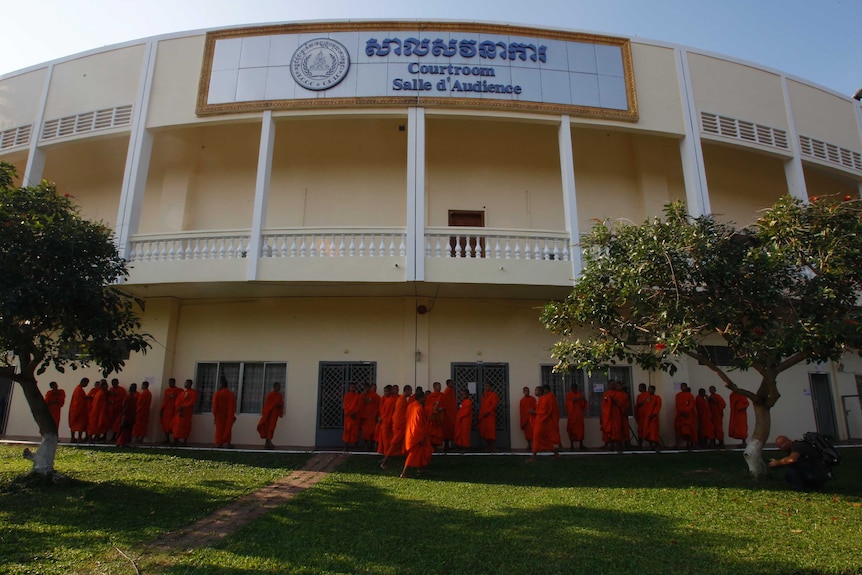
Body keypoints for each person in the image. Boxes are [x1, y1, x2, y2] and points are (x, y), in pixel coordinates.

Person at [400, 389, 430, 478]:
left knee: (421, 452)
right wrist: (421, 437)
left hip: (410, 432)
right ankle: (404, 473)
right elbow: (418, 424)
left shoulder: (411, 406)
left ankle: (421, 469)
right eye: (424, 398)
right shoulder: (418, 409)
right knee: (413, 454)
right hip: (416, 434)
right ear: (421, 398)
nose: (425, 399)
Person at [380, 384, 410, 470]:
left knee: (396, 442)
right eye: (410, 391)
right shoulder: (397, 400)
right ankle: (385, 461)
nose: (411, 393)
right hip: (397, 424)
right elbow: (398, 414)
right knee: (393, 443)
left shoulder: (400, 399)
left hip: (396, 423)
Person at [528, 385, 559, 461]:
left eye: (536, 391)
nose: (535, 392)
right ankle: (555, 453)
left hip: (541, 421)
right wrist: (533, 412)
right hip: (538, 421)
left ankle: (533, 457)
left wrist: (534, 412)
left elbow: (544, 411)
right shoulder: (540, 399)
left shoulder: (544, 399)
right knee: (544, 439)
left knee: (536, 437)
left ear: (540, 392)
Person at [257, 381, 284, 449]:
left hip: (274, 415)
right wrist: (274, 405)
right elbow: (267, 405)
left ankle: (268, 443)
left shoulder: (279, 395)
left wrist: (280, 405)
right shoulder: (270, 395)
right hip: (269, 414)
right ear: (274, 387)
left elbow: (281, 403)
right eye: (278, 387)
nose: (279, 388)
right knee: (269, 427)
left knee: (272, 428)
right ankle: (268, 442)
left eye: (280, 387)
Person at [213, 379, 237, 448]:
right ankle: (227, 442)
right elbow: (232, 406)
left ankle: (219, 442)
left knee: (219, 429)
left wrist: (215, 415)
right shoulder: (230, 394)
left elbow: (214, 406)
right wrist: (232, 415)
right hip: (228, 414)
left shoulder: (217, 394)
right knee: (228, 429)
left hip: (219, 414)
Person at [172, 379, 197, 445]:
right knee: (177, 425)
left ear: (190, 384)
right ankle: (176, 439)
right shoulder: (182, 393)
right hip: (179, 411)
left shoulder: (193, 392)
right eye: (185, 383)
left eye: (187, 383)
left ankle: (185, 441)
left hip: (187, 412)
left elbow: (191, 402)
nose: (185, 384)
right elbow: (177, 401)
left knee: (186, 426)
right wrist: (179, 408)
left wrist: (183, 407)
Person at [674, 383, 697, 449]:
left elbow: (691, 405)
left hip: (688, 416)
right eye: (681, 386)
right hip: (680, 416)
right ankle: (677, 444)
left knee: (689, 430)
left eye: (683, 386)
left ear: (686, 387)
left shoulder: (690, 395)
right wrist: (680, 412)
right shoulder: (678, 395)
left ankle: (689, 444)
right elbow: (677, 405)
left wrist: (686, 412)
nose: (682, 387)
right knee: (678, 429)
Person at [566, 383, 587, 451]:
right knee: (571, 430)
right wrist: (576, 399)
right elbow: (568, 404)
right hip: (572, 415)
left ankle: (581, 444)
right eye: (573, 388)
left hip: (579, 415)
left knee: (580, 430)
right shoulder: (569, 395)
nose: (574, 389)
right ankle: (571, 445)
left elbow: (583, 404)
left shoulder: (580, 394)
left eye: (575, 387)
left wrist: (583, 400)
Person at [160, 378, 182, 444]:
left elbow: (180, 400)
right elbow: (165, 400)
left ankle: (176, 439)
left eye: (171, 382)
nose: (170, 384)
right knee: (166, 425)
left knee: (175, 425)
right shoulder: (167, 390)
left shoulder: (179, 390)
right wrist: (162, 409)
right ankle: (167, 439)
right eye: (169, 382)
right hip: (167, 410)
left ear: (174, 382)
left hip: (174, 410)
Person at [425, 381, 446, 450]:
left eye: (440, 386)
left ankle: (436, 448)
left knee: (438, 434)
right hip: (432, 418)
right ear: (434, 387)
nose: (440, 387)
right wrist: (434, 409)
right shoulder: (431, 396)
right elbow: (427, 407)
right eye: (438, 386)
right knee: (432, 434)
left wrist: (442, 409)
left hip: (439, 418)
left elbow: (445, 405)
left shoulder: (442, 395)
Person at [478, 382, 499, 451]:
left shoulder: (493, 395)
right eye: (485, 386)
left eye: (488, 386)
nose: (486, 387)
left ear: (491, 387)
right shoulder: (484, 395)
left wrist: (488, 411)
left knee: (491, 431)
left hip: (490, 415)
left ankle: (492, 447)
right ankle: (488, 446)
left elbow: (494, 405)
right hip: (484, 416)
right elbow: (482, 405)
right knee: (485, 431)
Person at [342, 382, 363, 450]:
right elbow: (345, 405)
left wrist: (354, 413)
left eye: (354, 387)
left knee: (355, 431)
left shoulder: (358, 396)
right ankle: (346, 446)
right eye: (351, 387)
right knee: (347, 431)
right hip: (348, 416)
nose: (352, 388)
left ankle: (355, 446)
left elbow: (359, 406)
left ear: (356, 388)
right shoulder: (346, 396)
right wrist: (349, 413)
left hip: (355, 416)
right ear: (349, 388)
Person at [68, 377, 90, 443]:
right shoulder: (79, 390)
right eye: (86, 383)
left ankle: (74, 438)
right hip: (78, 409)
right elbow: (79, 401)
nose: (86, 385)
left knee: (76, 424)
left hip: (78, 409)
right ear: (83, 382)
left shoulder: (78, 389)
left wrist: (87, 398)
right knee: (79, 424)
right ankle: (78, 438)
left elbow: (82, 398)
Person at [360, 383, 380, 451]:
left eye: (375, 387)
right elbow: (359, 402)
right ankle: (366, 445)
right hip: (365, 417)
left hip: (373, 416)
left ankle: (372, 445)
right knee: (365, 432)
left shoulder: (374, 395)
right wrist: (364, 395)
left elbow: (379, 404)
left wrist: (377, 414)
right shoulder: (362, 395)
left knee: (373, 432)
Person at [106, 378, 127, 442]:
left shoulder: (122, 390)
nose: (114, 384)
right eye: (113, 383)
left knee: (117, 424)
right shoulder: (110, 390)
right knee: (109, 424)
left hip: (118, 410)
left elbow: (124, 400)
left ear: (118, 383)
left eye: (115, 383)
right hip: (111, 411)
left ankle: (115, 436)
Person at [642, 385, 662, 450]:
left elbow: (658, 407)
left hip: (653, 418)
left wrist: (654, 414)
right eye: (648, 389)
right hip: (647, 417)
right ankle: (651, 445)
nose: (649, 390)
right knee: (647, 432)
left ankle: (656, 445)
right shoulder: (647, 398)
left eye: (650, 389)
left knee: (654, 432)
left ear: (653, 390)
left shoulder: (657, 398)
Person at [441, 379, 458, 451]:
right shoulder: (447, 391)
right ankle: (446, 446)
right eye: (451, 383)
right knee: (448, 429)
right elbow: (445, 401)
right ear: (448, 384)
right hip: (448, 413)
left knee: (451, 429)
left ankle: (448, 445)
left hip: (451, 412)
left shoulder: (451, 390)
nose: (453, 384)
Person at [519, 386, 537, 451]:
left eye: (528, 391)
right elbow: (521, 411)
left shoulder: (533, 399)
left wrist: (533, 412)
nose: (527, 392)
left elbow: (536, 408)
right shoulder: (522, 401)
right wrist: (524, 420)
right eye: (525, 391)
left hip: (532, 418)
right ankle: (529, 445)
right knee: (527, 434)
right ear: (523, 392)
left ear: (529, 391)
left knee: (534, 433)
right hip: (526, 420)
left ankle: (534, 446)